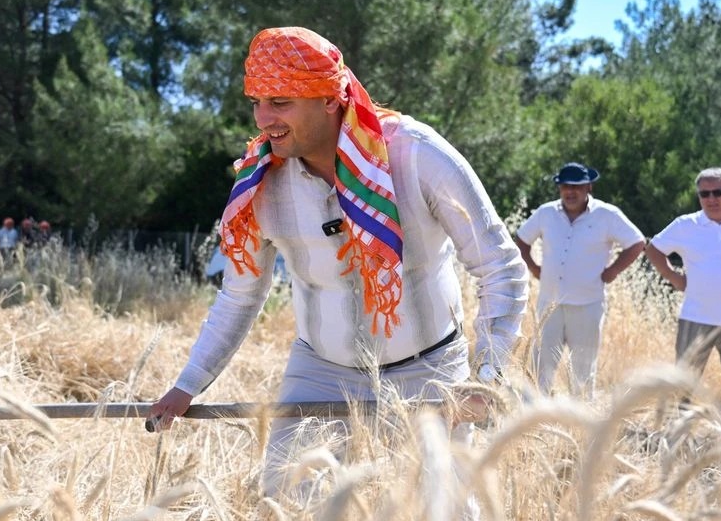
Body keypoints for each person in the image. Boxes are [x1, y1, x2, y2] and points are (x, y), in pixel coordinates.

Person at [148, 25, 527, 496]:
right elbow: (241, 294)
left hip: (430, 372)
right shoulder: (259, 185)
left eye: (280, 102)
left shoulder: (415, 155)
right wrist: (189, 383)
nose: (263, 119)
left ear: (329, 99)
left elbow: (500, 266)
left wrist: (485, 377)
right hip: (320, 372)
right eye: (257, 102)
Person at [515, 163, 645, 398]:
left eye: (576, 186)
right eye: (565, 186)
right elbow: (522, 241)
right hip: (550, 304)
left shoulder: (607, 215)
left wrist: (613, 270)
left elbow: (636, 243)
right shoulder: (546, 213)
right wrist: (534, 268)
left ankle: (581, 425)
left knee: (583, 369)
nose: (570, 192)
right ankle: (529, 422)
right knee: (538, 366)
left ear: (588, 187)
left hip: (588, 304)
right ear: (559, 188)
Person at [645, 167, 721, 417]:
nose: (711, 199)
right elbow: (653, 249)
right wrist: (674, 277)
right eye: (704, 194)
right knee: (683, 383)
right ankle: (676, 437)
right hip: (695, 317)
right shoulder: (686, 224)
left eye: (718, 192)